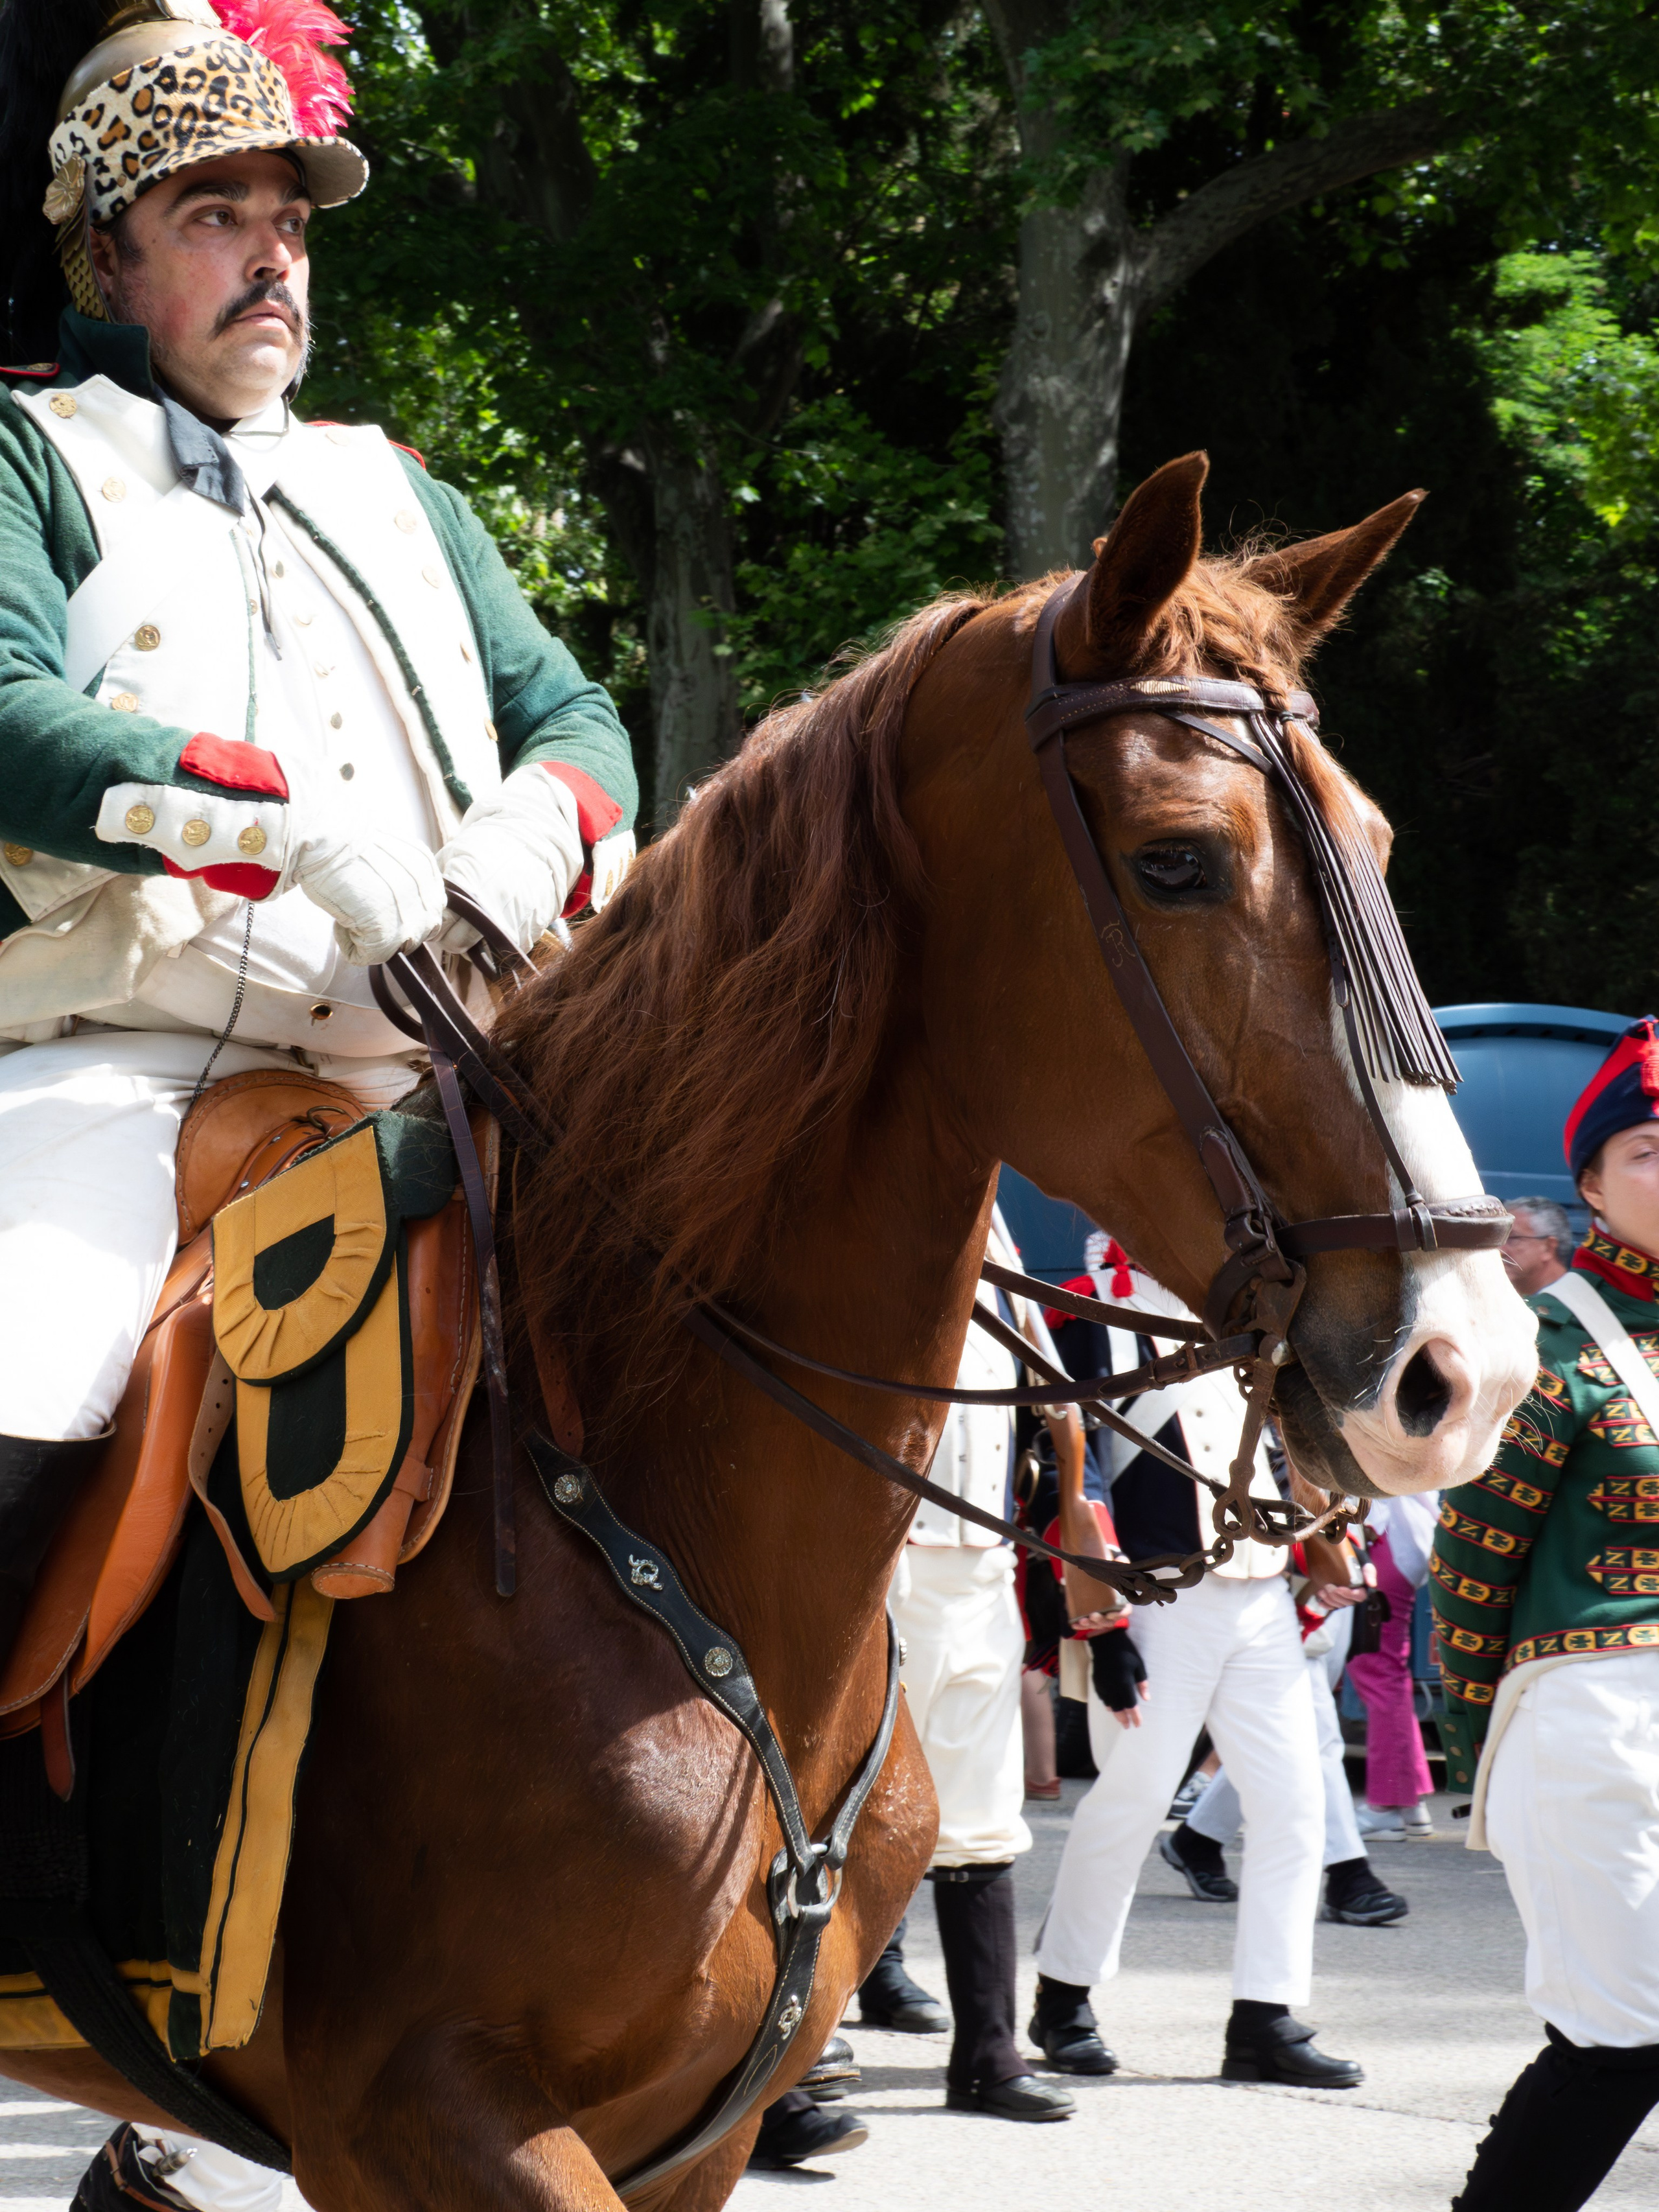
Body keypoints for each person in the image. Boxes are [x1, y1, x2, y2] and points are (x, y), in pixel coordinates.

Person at [0, 6, 635, 2209]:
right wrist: (263, 822)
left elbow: (575, 711)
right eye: (215, 217)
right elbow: (5, 713)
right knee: (31, 1370)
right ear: (110, 252)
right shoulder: (32, 454)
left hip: (424, 1058)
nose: (273, 257)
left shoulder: (400, 489)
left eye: (287, 218)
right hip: (124, 1058)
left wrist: (525, 839)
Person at [1032, 1244, 1362, 2089]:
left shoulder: (1246, 1315)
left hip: (1258, 1596)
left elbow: (1286, 1447)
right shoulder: (1089, 1311)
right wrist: (1100, 1622)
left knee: (1296, 1806)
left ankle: (1266, 2014)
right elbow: (1076, 1473)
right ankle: (1064, 1996)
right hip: (1158, 1598)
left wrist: (1322, 1534)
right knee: (1132, 1799)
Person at [1435, 1017, 1659, 2212]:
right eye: (1651, 1150)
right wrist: (1484, 1755)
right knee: (1623, 2035)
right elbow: (1470, 1580)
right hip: (1596, 1723)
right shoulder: (1541, 1346)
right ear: (1587, 1183)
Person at [879, 1217, 1102, 2124]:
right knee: (839, 1817)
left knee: (981, 1818)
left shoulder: (1001, 1250)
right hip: (881, 1565)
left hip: (979, 1570)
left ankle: (988, 2053)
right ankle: (794, 2066)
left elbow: (1054, 1409)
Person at [1175, 1541, 1409, 1928]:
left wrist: (1351, 1551)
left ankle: (1199, 1838)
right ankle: (1348, 1873)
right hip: (1273, 1557)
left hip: (1332, 1551)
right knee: (1312, 1735)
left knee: (1273, 1735)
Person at [1347, 1490, 1441, 1841]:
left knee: (1377, 1671)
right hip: (1395, 1534)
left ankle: (1386, 1805)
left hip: (1382, 1534)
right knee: (1385, 1672)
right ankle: (1408, 1799)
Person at [1502, 1195, 1573, 1298]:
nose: (1499, 1251)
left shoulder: (1574, 1305)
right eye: (1498, 1240)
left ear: (1548, 1248)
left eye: (1513, 1239)